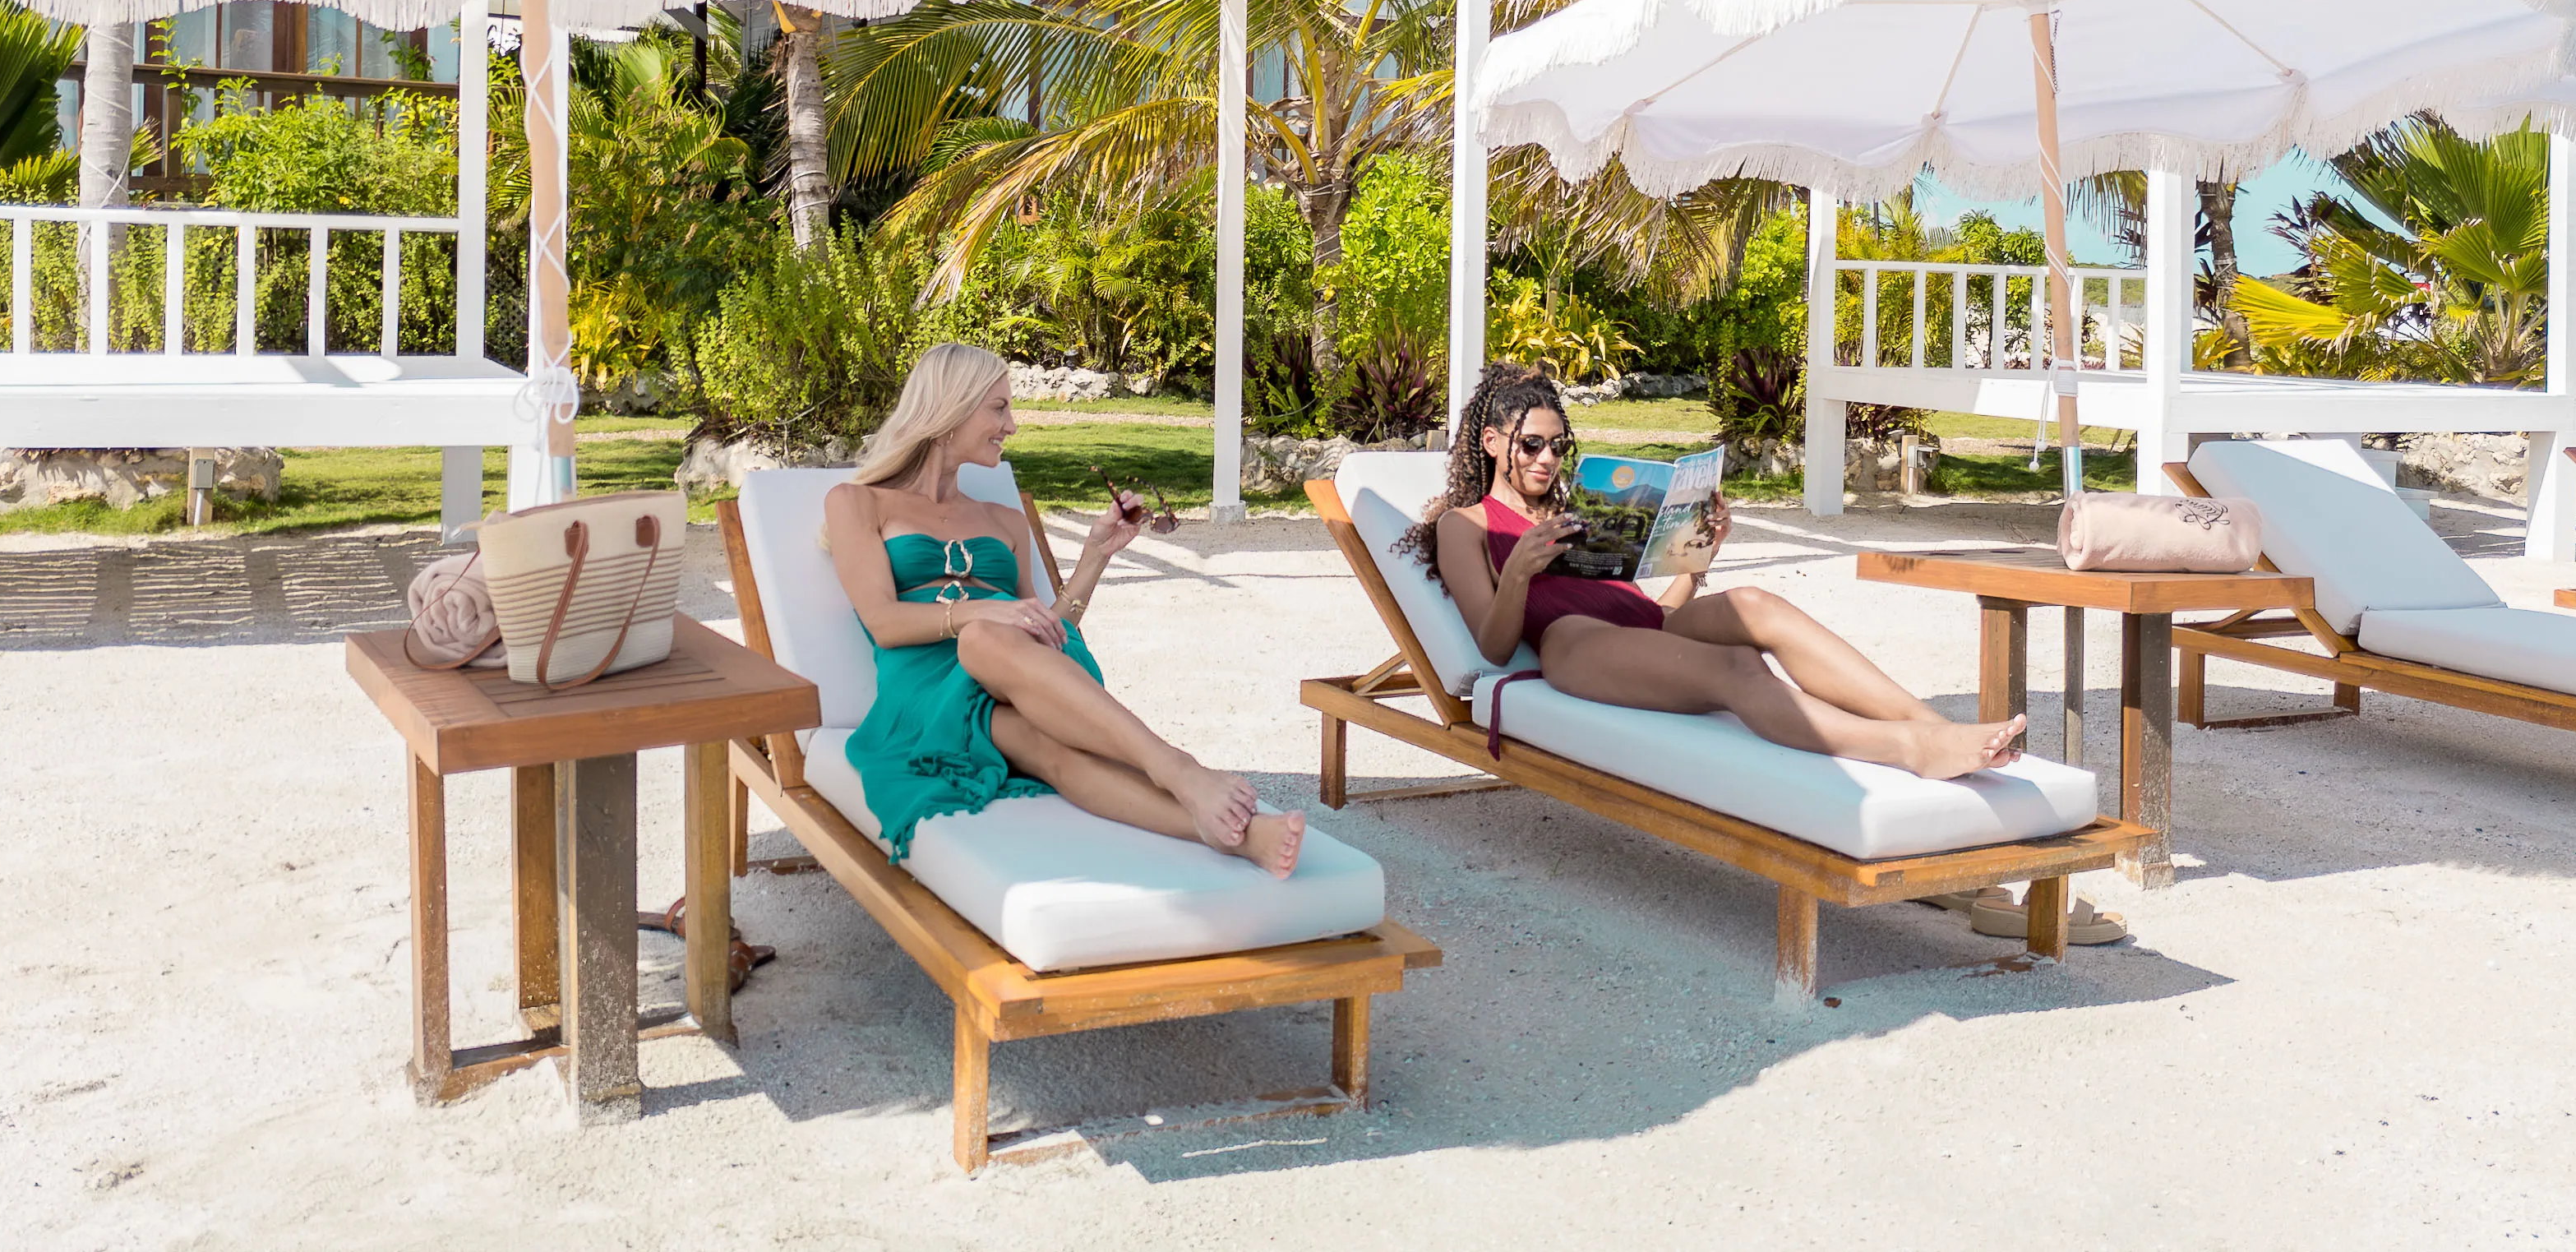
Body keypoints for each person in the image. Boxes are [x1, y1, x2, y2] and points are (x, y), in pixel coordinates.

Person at [825, 342, 1304, 875]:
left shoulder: (1003, 518)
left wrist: (1097, 553)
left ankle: (1223, 817)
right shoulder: (857, 503)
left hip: (1015, 665)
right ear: (948, 413)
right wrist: (977, 614)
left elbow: (1048, 630)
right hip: (929, 690)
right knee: (1044, 744)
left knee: (990, 641)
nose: (1011, 426)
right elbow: (883, 624)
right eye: (999, 408)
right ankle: (1198, 790)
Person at [1415, 363, 2024, 780]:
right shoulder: (1464, 525)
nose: (1546, 458)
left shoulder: (1576, 510)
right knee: (1737, 666)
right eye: (1530, 446)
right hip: (1571, 645)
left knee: (1755, 602)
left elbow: (1658, 616)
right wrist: (1519, 570)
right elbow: (1494, 650)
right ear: (1493, 442)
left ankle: (1938, 727)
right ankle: (1911, 750)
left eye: (1557, 446)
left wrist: (1696, 554)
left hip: (1647, 627)